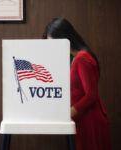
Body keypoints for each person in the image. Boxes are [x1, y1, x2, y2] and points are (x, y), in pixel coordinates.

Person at [43, 18, 111, 150]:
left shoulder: (82, 58)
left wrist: (67, 113)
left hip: (89, 121)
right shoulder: (75, 58)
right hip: (81, 119)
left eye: (53, 43)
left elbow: (91, 95)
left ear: (64, 38)